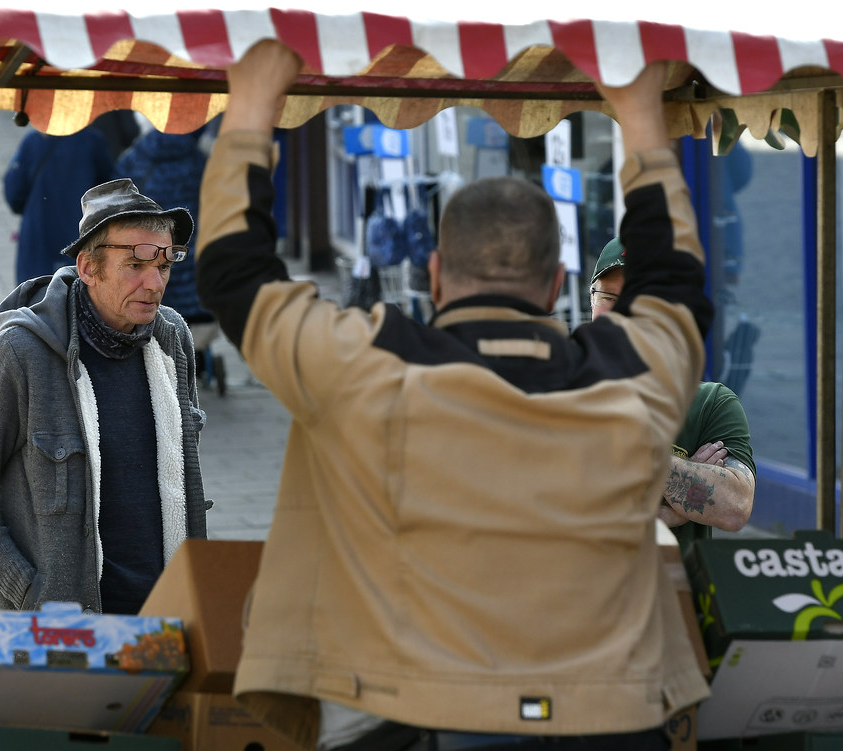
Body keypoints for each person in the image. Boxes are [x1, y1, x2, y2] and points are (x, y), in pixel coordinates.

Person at [195, 40, 711, 751]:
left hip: (410, 719)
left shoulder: (363, 367)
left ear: (434, 274)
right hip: (612, 725)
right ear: (557, 285)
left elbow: (232, 273)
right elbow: (676, 282)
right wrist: (641, 120)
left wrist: (253, 97)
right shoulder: (637, 376)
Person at [0, 178, 208, 615]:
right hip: (60, 630)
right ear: (87, 268)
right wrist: (27, 590)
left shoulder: (172, 338)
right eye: (135, 264)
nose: (155, 282)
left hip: (168, 616)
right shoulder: (20, 354)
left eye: (164, 264)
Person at [590, 237, 756, 551]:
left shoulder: (712, 404)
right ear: (592, 301)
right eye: (610, 296)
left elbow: (734, 508)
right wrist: (674, 508)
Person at [117, 127, 220, 367]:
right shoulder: (199, 161)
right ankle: (196, 355)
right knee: (194, 301)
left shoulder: (135, 158)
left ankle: (160, 352)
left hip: (148, 251)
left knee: (158, 294)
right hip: (191, 248)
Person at [4, 126, 117, 285]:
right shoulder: (92, 140)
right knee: (76, 297)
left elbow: (14, 193)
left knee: (35, 297)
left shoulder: (33, 142)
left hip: (37, 236)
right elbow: (110, 189)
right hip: (80, 236)